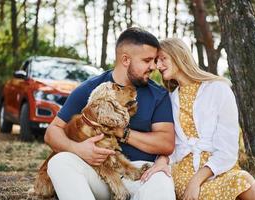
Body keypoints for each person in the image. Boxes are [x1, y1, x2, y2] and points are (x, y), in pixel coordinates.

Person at [44, 27, 176, 200]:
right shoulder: (91, 89)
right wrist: (77, 149)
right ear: (126, 59)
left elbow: (166, 143)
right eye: (147, 60)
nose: (154, 67)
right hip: (98, 172)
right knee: (59, 162)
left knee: (162, 180)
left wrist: (122, 132)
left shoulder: (158, 95)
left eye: (155, 60)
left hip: (140, 174)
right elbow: (52, 132)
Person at [141, 38, 255, 200]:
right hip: (183, 173)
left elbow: (228, 149)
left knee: (243, 179)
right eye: (156, 61)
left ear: (179, 55)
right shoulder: (169, 100)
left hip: (220, 168)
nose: (158, 66)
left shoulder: (218, 89)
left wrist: (197, 180)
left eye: (162, 59)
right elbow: (170, 143)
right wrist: (162, 160)